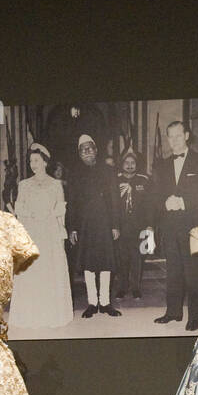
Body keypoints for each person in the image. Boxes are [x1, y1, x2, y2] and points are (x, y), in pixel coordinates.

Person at [7, 143, 73, 329]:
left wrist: (51, 219)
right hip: (33, 230)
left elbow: (61, 209)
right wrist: (32, 215)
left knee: (50, 268)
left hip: (50, 231)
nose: (33, 164)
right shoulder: (24, 184)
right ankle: (31, 314)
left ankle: (52, 314)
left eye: (36, 160)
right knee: (33, 270)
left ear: (45, 162)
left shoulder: (55, 184)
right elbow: (19, 207)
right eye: (30, 161)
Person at [152, 121, 198, 330]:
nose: (173, 141)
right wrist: (164, 203)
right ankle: (173, 312)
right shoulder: (162, 165)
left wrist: (184, 202)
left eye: (177, 136)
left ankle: (193, 317)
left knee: (194, 273)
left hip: (193, 227)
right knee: (173, 272)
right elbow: (154, 195)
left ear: (186, 135)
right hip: (169, 227)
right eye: (170, 137)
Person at [65, 134, 121, 317]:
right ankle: (92, 303)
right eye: (83, 150)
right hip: (84, 225)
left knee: (106, 262)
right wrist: (72, 227)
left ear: (96, 150)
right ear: (79, 153)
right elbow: (72, 202)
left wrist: (115, 225)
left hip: (105, 222)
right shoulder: (74, 173)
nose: (87, 152)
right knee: (88, 264)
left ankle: (105, 303)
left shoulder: (108, 170)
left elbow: (114, 199)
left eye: (90, 148)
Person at [114, 150, 151, 300]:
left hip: (138, 226)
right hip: (121, 226)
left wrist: (149, 224)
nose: (129, 166)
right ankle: (122, 287)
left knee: (137, 258)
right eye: (127, 163)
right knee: (121, 258)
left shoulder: (144, 181)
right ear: (122, 164)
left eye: (132, 163)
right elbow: (113, 205)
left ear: (137, 165)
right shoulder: (115, 181)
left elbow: (149, 205)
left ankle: (136, 288)